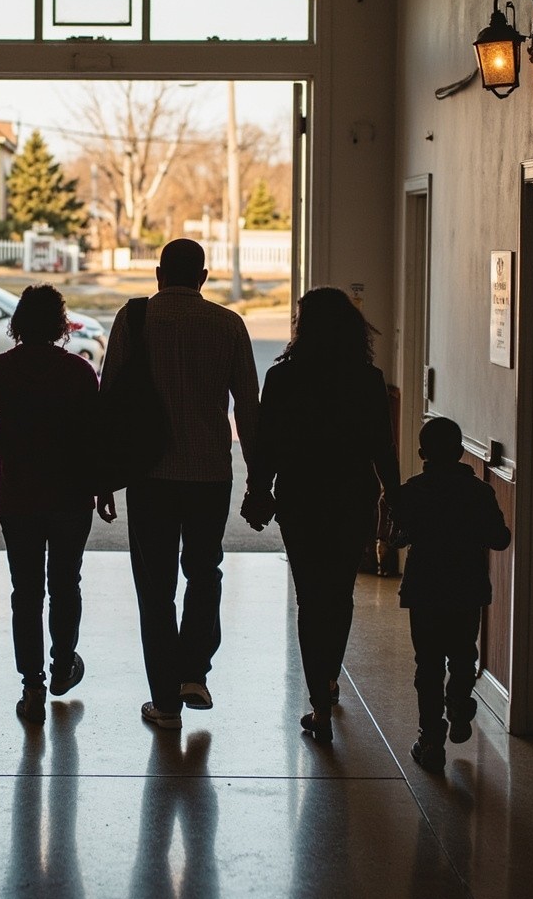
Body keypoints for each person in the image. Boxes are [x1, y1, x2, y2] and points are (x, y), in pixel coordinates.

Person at [98, 238, 260, 730]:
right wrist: (259, 479)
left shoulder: (134, 319)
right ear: (204, 277)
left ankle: (164, 701)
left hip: (150, 476)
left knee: (156, 586)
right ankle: (195, 673)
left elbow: (110, 403)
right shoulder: (229, 325)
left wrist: (104, 479)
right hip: (210, 472)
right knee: (205, 571)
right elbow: (248, 408)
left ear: (158, 274)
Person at [244, 286, 399, 745]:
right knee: (340, 594)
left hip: (301, 498)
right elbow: (382, 448)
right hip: (352, 497)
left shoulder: (284, 378)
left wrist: (258, 490)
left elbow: (266, 444)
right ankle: (329, 681)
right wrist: (393, 496)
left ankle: (318, 703)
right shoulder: (367, 380)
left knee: (310, 599)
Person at [0, 284, 99, 725]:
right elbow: (95, 436)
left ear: (18, 321)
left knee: (26, 592)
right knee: (65, 585)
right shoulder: (78, 372)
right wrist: (102, 486)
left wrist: (8, 445)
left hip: (18, 494)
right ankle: (62, 666)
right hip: (71, 495)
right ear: (61, 324)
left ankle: (32, 683)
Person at [394, 416, 511, 773]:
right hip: (466, 589)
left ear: (421, 453)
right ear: (461, 452)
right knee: (463, 656)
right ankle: (459, 704)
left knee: (427, 664)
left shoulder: (412, 491)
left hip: (425, 591)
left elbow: (398, 538)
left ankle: (430, 740)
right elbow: (500, 539)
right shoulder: (479, 492)